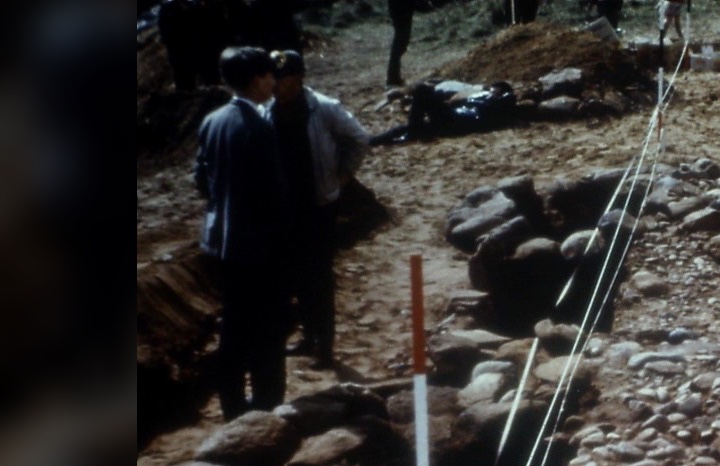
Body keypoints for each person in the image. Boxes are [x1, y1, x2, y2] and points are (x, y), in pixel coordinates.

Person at [194, 45, 291, 420]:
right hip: (259, 246)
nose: (273, 82)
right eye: (269, 76)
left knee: (233, 329)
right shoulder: (259, 127)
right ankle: (266, 408)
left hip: (220, 242)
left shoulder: (213, 120)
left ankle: (233, 407)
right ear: (255, 80)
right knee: (268, 329)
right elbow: (274, 193)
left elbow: (201, 179)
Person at [266, 49, 370, 369]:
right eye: (272, 79)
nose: (275, 85)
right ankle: (307, 337)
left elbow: (359, 138)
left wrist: (341, 177)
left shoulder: (323, 108)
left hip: (319, 205)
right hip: (284, 207)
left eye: (281, 79)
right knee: (295, 276)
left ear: (297, 79)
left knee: (319, 277)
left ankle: (324, 346)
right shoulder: (266, 111)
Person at [369, 79, 519, 145]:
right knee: (410, 128)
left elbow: (510, 100)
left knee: (422, 90)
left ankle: (411, 132)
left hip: (459, 122)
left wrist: (499, 94)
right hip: (452, 119)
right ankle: (372, 141)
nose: (491, 91)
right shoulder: (482, 98)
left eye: (496, 90)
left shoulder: (499, 104)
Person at [387, 0, 414, 86]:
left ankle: (394, 76)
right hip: (401, 11)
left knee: (401, 43)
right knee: (400, 43)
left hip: (400, 10)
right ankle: (393, 77)